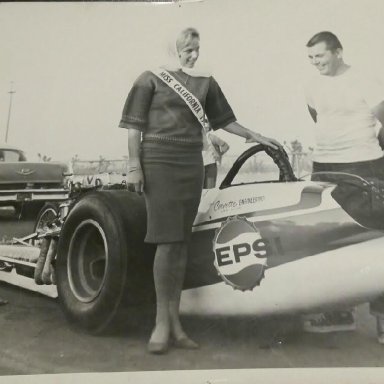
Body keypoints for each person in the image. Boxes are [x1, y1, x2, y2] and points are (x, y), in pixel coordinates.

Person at [119, 27, 281, 354]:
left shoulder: (206, 80)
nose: (193, 55)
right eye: (186, 49)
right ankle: (161, 323)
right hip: (159, 161)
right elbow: (134, 127)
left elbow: (225, 121)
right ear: (171, 48)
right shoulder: (150, 76)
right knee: (166, 241)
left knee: (181, 242)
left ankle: (176, 323)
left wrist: (256, 135)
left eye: (196, 49)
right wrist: (135, 166)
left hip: (190, 164)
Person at [303, 31, 384, 339]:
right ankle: (338, 311)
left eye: (320, 56)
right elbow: (318, 117)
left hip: (365, 165)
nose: (315, 63)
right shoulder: (311, 85)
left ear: (338, 52)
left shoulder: (365, 80)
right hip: (324, 168)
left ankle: (383, 320)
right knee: (327, 238)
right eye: (310, 58)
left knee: (375, 239)